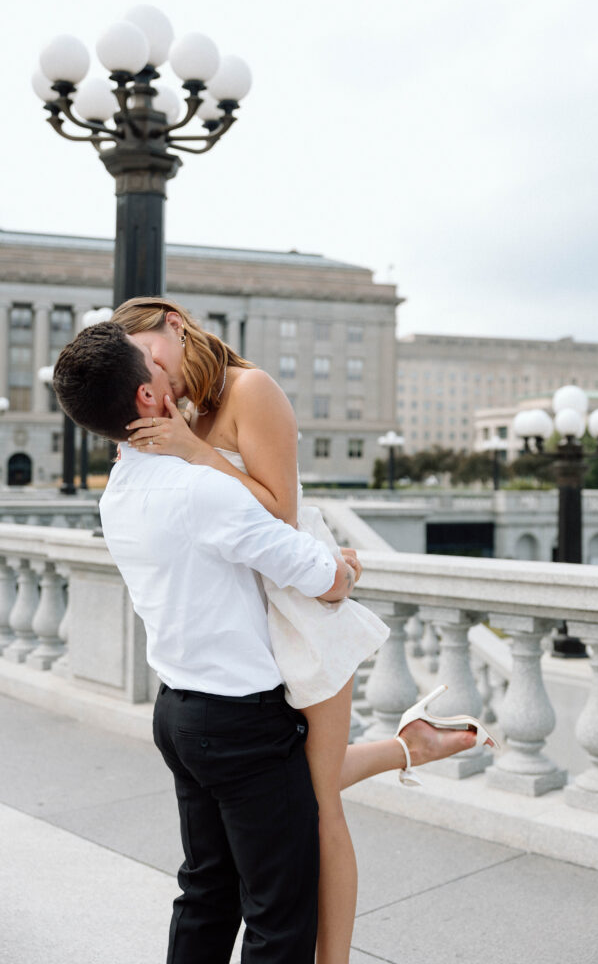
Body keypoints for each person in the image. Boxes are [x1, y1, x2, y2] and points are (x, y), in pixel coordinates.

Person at [52, 316, 482, 964]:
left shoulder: (117, 492)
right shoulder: (202, 490)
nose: (165, 368)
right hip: (239, 725)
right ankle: (408, 748)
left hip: (178, 714)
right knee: (279, 916)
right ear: (146, 397)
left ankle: (406, 747)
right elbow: (325, 579)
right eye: (151, 364)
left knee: (205, 892)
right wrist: (342, 568)